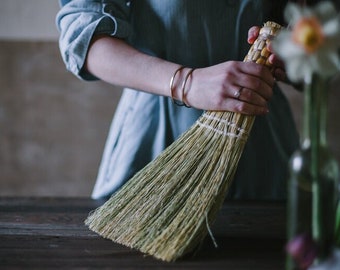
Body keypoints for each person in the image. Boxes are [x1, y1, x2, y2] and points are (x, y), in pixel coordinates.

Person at [56, 0, 303, 200]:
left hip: (261, 145)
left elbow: (321, 45)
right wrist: (188, 82)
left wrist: (296, 56)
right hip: (156, 137)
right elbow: (84, 36)